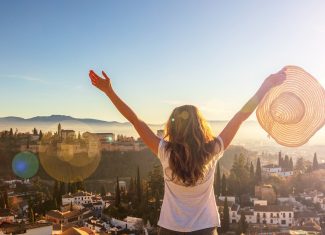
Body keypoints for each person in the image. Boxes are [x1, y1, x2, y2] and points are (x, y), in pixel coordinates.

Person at [89, 68, 286, 234]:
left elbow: (134, 120)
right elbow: (240, 116)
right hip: (205, 229)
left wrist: (109, 92)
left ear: (173, 127)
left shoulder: (165, 151)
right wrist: (266, 85)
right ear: (200, 126)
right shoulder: (213, 150)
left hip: (170, 229)